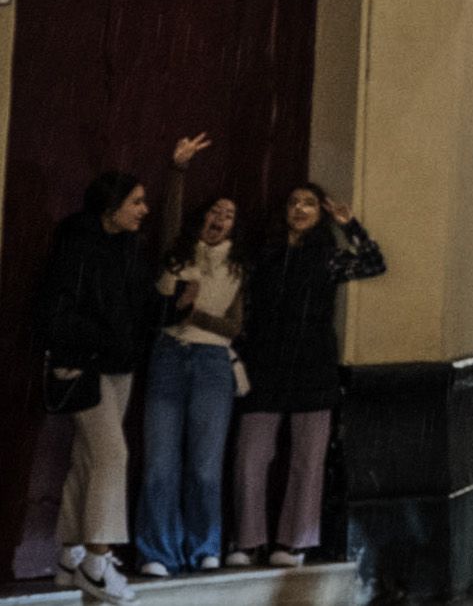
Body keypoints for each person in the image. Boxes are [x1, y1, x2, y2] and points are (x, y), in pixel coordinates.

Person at [37, 140, 196, 604]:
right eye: (137, 202)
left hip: (118, 367)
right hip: (82, 366)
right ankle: (98, 563)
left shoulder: (129, 250)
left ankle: (70, 555)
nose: (144, 210)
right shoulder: (76, 245)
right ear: (111, 207)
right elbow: (55, 312)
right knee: (112, 456)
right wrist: (101, 340)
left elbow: (143, 309)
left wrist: (172, 308)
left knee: (89, 459)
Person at [231, 183, 386, 566]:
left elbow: (373, 263)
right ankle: (247, 540)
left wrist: (350, 225)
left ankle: (294, 541)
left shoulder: (327, 258)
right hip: (264, 364)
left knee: (308, 459)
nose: (300, 209)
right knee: (251, 455)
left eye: (309, 204)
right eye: (294, 202)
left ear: (320, 214)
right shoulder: (263, 256)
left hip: (314, 365)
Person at [137, 143, 245, 577]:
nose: (219, 220)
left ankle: (205, 547)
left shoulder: (238, 269)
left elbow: (235, 329)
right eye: (215, 212)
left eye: (229, 215)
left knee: (204, 467)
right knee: (160, 464)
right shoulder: (176, 252)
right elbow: (170, 215)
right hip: (167, 356)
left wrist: (192, 312)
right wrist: (177, 169)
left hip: (213, 365)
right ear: (203, 216)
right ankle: (157, 552)